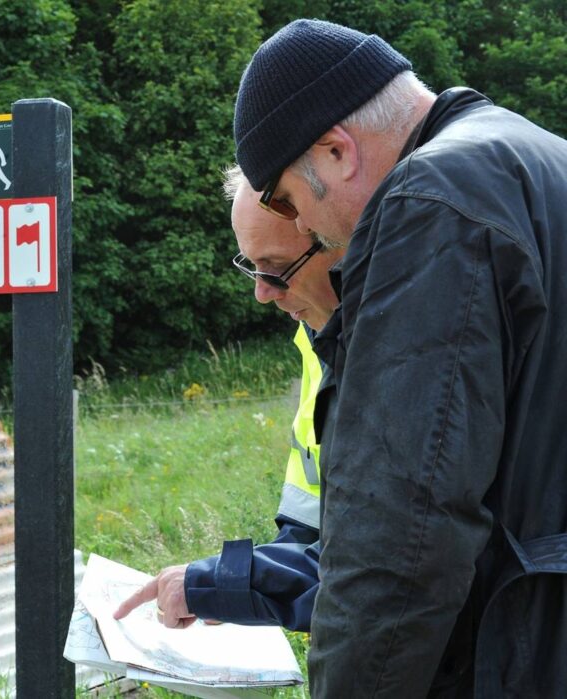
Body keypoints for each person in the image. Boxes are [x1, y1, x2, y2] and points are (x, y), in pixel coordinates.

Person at [232, 18, 567, 697]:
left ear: (336, 150)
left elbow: (402, 536)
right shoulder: (538, 157)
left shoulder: (429, 204)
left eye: (291, 203)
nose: (306, 231)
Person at [114, 170, 343, 632]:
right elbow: (313, 528)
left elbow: (382, 573)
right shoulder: (316, 331)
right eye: (252, 267)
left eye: (276, 270)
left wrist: (229, 584)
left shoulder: (400, 350)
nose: (261, 293)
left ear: (342, 240)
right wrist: (237, 584)